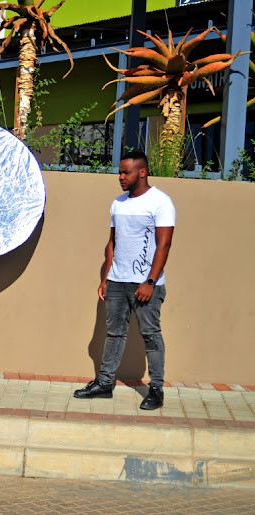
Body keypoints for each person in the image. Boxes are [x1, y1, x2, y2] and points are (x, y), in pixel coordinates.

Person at [74, 151, 175, 410]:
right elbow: (112, 242)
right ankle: (104, 384)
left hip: (145, 284)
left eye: (126, 172)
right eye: (120, 172)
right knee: (114, 333)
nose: (120, 177)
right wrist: (107, 277)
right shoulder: (118, 203)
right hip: (117, 282)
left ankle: (156, 390)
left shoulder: (160, 202)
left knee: (151, 335)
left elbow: (164, 245)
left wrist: (150, 281)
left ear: (142, 172)